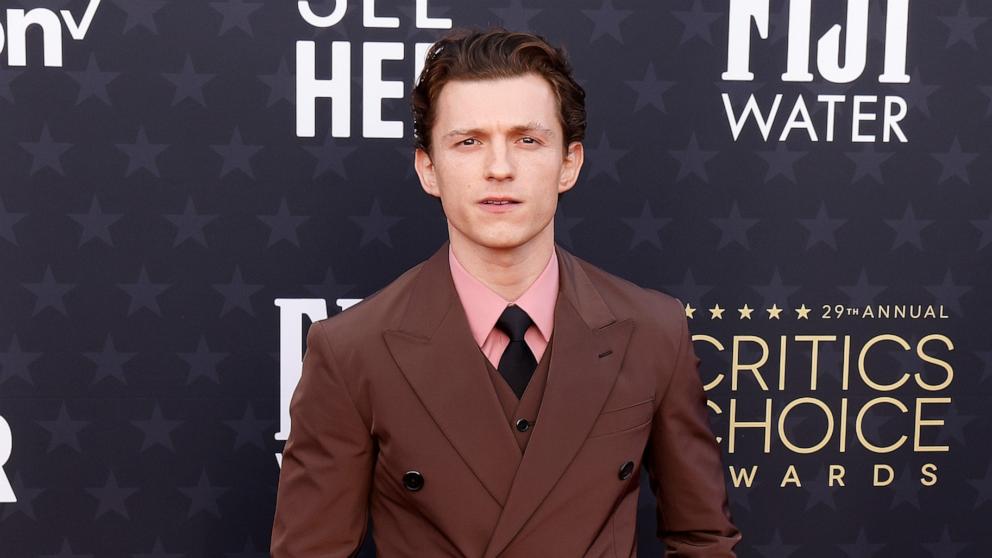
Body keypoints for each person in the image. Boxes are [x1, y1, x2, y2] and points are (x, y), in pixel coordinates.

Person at [271, 28, 741, 557]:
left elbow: (703, 538)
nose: (500, 168)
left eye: (528, 140)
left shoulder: (655, 331)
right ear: (429, 168)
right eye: (469, 142)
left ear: (569, 163)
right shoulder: (352, 350)